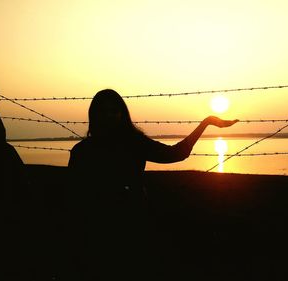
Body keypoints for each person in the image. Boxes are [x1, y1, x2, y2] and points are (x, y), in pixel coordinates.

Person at [65, 89, 238, 280]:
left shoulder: (134, 142)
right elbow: (74, 197)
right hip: (98, 233)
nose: (109, 116)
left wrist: (206, 122)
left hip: (133, 228)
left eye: (114, 111)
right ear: (94, 115)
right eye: (103, 111)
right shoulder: (82, 151)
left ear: (122, 114)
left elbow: (176, 153)